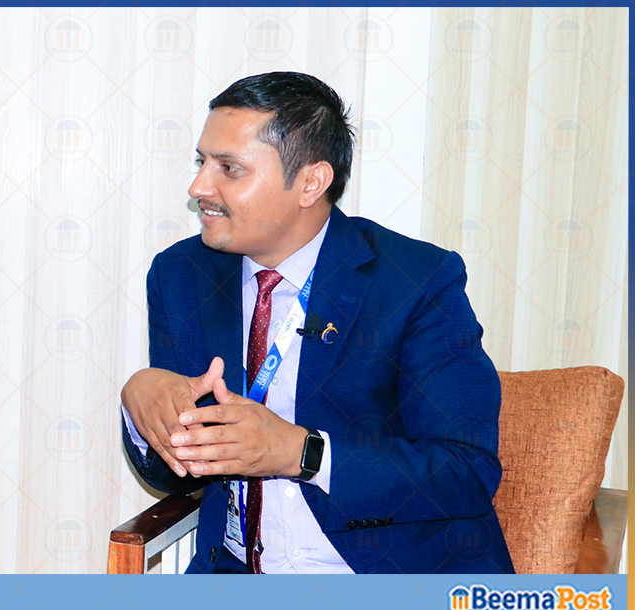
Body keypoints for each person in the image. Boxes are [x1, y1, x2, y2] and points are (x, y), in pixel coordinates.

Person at [120, 72, 513, 574]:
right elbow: (178, 473)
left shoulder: (414, 282)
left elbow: (466, 473)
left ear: (311, 182)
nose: (199, 188)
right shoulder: (182, 275)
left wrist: (300, 453)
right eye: (203, 163)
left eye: (229, 168)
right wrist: (142, 405)